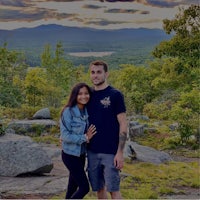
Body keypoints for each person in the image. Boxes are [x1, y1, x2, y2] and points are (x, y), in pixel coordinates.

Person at [87, 60, 128, 199]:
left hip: (111, 152)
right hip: (92, 151)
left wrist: (120, 153)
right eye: (93, 72)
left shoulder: (115, 95)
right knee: (99, 189)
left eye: (99, 72)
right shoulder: (88, 95)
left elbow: (123, 123)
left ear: (106, 74)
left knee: (114, 190)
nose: (95, 75)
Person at [60, 82, 96, 199]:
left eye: (86, 93)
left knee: (72, 186)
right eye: (80, 94)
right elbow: (65, 136)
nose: (83, 96)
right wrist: (85, 138)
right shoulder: (68, 111)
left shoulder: (87, 110)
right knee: (84, 187)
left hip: (81, 154)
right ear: (75, 95)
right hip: (70, 155)